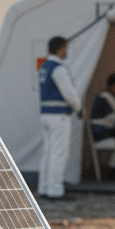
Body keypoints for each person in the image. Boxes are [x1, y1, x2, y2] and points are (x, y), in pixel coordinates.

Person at [37, 35, 81, 200]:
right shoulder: (59, 68)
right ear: (61, 48)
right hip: (59, 115)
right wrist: (78, 107)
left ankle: (44, 187)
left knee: (48, 152)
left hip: (46, 114)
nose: (66, 52)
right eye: (65, 49)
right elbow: (69, 93)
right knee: (59, 153)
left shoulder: (44, 66)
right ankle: (55, 190)